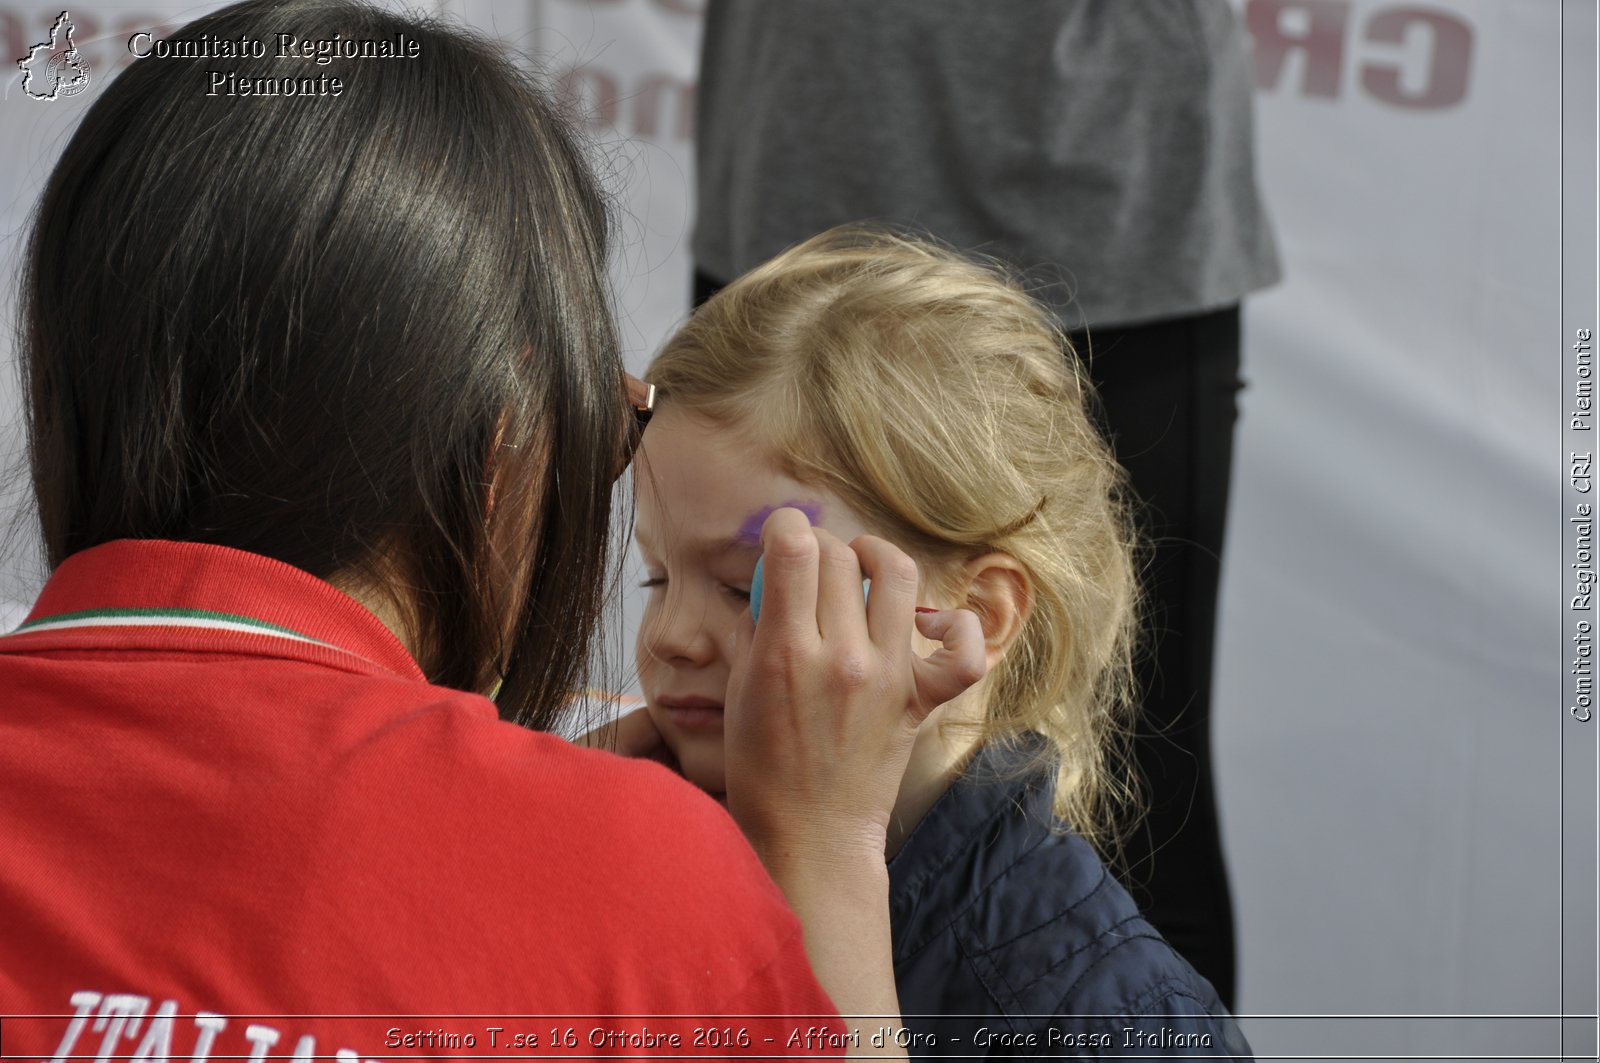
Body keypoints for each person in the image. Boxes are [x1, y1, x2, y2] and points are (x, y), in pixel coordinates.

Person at [0, 2, 985, 1057]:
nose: (678, 639)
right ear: (505, 442)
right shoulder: (638, 880)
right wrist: (823, 851)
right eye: (607, 429)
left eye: (742, 585)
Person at [691, 1, 1281, 1004]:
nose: (655, 627)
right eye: (658, 575)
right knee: (730, 748)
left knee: (1140, 801)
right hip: (799, 167)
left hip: (1105, 216)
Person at [629, 226, 1251, 1056]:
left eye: (749, 587)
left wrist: (820, 850)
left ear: (982, 616)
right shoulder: (644, 858)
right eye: (656, 578)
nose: (669, 636)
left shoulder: (1107, 1018)